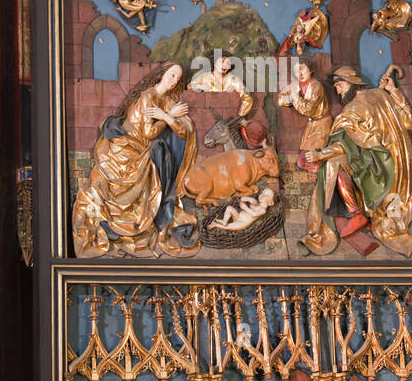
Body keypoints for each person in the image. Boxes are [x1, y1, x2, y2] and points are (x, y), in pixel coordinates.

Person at [303, 65, 412, 257]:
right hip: (399, 162)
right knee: (396, 209)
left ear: (352, 84)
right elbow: (407, 120)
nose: (338, 91)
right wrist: (394, 91)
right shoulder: (381, 96)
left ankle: (354, 213)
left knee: (332, 165)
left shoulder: (351, 110)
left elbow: (346, 142)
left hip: (379, 166)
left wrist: (321, 154)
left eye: (340, 86)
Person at [72, 61, 199, 256]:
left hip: (141, 145)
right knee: (155, 157)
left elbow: (184, 129)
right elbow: (148, 132)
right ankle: (119, 227)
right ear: (162, 73)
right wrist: (167, 117)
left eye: (178, 78)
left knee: (161, 154)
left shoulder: (166, 100)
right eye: (172, 74)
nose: (174, 80)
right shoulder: (148, 95)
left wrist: (167, 116)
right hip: (129, 146)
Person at [278, 59, 332, 172]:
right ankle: (322, 170)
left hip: (322, 123)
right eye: (296, 71)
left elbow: (309, 109)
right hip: (311, 125)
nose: (300, 73)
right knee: (302, 161)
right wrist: (292, 98)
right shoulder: (295, 86)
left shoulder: (317, 86)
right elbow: (281, 99)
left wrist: (295, 98)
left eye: (302, 69)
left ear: (311, 70)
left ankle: (325, 171)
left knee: (312, 157)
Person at [208, 186, 275, 232]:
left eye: (267, 195)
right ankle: (224, 221)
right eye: (263, 192)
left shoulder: (263, 210)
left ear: (270, 203)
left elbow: (254, 214)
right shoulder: (256, 202)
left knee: (229, 226)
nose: (263, 195)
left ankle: (215, 225)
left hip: (242, 223)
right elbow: (250, 200)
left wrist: (245, 208)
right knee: (229, 208)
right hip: (238, 217)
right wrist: (245, 198)